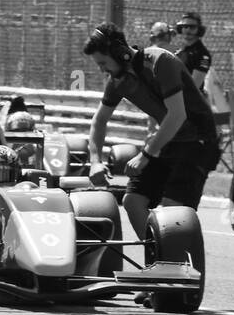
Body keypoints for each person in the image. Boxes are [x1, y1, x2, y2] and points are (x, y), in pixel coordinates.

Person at [84, 22, 221, 241]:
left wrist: (145, 155)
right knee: (133, 201)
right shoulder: (117, 82)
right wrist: (95, 161)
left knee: (170, 211)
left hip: (199, 142)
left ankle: (175, 262)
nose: (102, 69)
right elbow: (99, 121)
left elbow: (177, 115)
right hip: (170, 140)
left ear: (119, 53)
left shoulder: (159, 61)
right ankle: (156, 257)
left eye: (103, 63)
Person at [173, 12, 212, 92]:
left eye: (192, 27)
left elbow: (194, 86)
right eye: (185, 27)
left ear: (199, 30)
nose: (188, 30)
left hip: (190, 101)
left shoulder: (202, 55)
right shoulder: (180, 52)